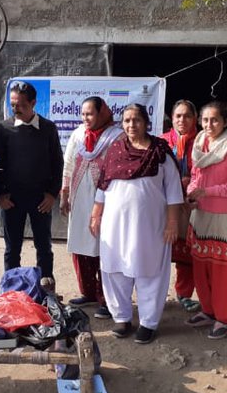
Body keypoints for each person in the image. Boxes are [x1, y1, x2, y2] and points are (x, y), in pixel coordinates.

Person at [89, 103, 183, 343]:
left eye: (136, 120)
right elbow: (103, 186)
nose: (131, 125)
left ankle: (148, 322)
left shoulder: (160, 152)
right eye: (127, 120)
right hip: (115, 226)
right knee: (115, 269)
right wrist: (96, 214)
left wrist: (173, 223)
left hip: (151, 227)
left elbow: (173, 191)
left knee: (150, 271)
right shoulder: (115, 150)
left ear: (146, 123)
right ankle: (121, 317)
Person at [0, 80, 63, 286]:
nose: (16, 109)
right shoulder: (4, 129)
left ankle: (46, 290)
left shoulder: (48, 128)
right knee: (12, 248)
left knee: (43, 246)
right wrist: (0, 194)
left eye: (21, 105)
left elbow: (57, 163)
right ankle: (12, 291)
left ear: (33, 103)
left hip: (41, 199)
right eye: (13, 105)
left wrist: (52, 194)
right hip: (12, 200)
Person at [185, 99, 227, 340]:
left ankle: (223, 318)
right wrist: (192, 191)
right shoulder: (199, 142)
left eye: (215, 120)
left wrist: (208, 191)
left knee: (220, 271)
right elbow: (195, 175)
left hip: (223, 216)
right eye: (205, 120)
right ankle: (208, 311)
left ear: (225, 121)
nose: (209, 125)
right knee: (201, 266)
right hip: (200, 213)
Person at [59, 96, 121, 317]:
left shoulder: (117, 136)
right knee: (80, 244)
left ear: (102, 112)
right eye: (83, 114)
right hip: (79, 197)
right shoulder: (78, 134)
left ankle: (107, 299)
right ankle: (88, 293)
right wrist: (64, 193)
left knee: (103, 247)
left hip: (104, 199)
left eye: (90, 114)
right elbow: (68, 165)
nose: (86, 118)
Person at [162, 99, 200, 312]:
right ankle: (156, 294)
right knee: (161, 251)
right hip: (165, 203)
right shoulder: (162, 141)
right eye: (178, 116)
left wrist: (190, 183)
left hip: (192, 204)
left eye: (186, 116)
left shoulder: (203, 141)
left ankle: (184, 294)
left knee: (188, 252)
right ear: (172, 118)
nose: (182, 120)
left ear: (194, 119)